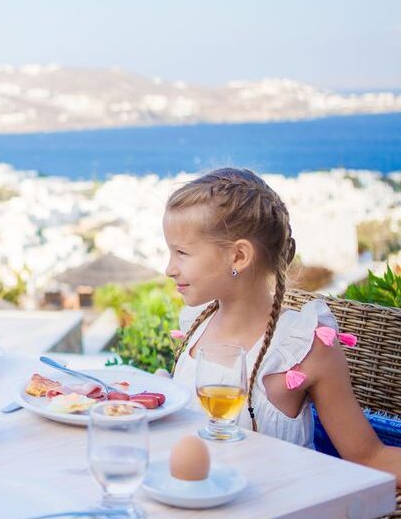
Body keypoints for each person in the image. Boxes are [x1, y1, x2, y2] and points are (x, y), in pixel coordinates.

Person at [166, 168, 400, 485]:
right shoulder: (196, 327)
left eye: (181, 253)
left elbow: (368, 456)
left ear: (238, 256)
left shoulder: (302, 347)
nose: (169, 268)